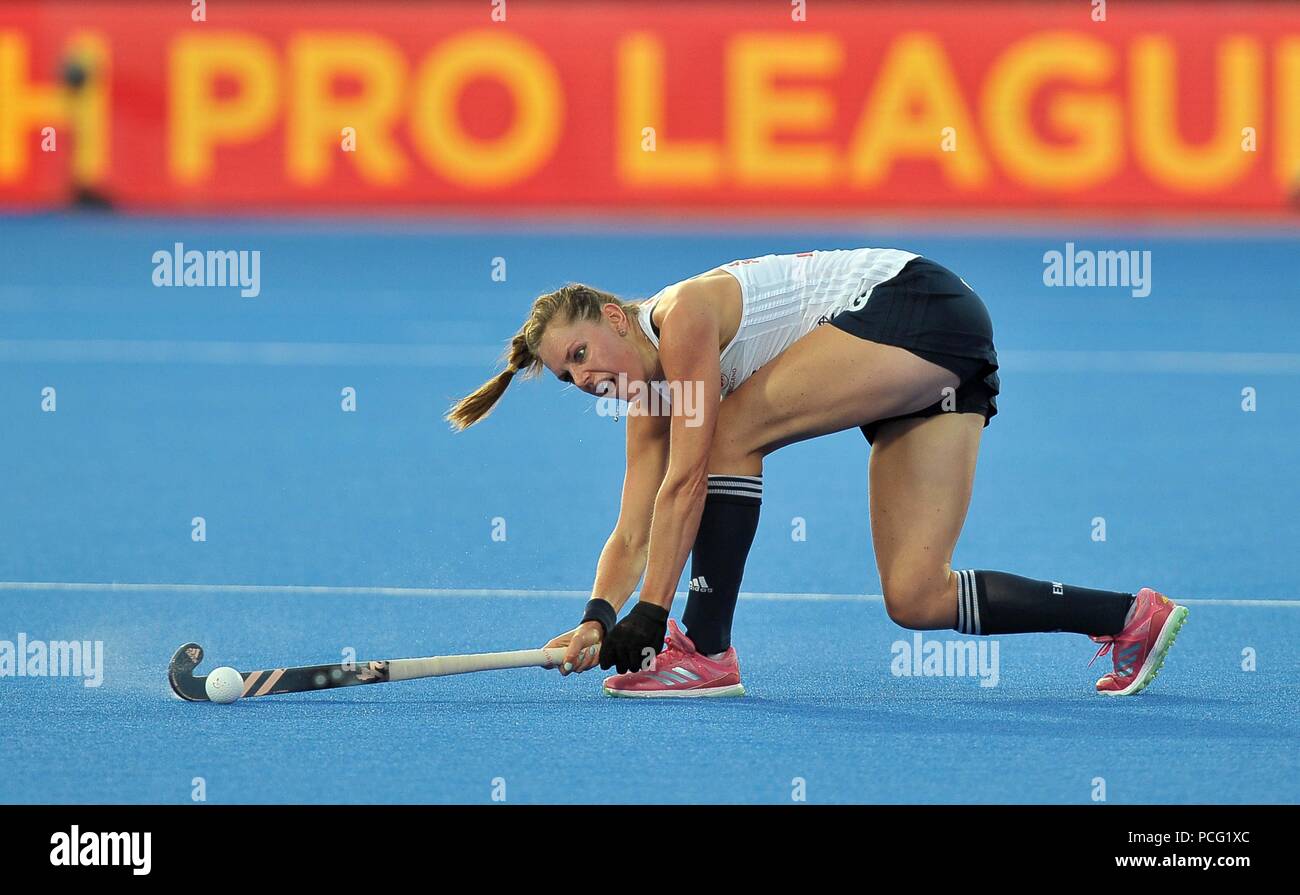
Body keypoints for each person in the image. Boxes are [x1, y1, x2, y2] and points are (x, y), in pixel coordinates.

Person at [446, 248, 1187, 698]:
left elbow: (691, 475)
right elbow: (635, 524)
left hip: (912, 304)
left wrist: (655, 615)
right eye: (567, 378)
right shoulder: (646, 395)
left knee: (728, 431)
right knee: (917, 594)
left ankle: (704, 651)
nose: (584, 378)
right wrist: (598, 617)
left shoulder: (684, 317)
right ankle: (1128, 618)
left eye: (579, 355)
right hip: (932, 363)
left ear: (612, 315)